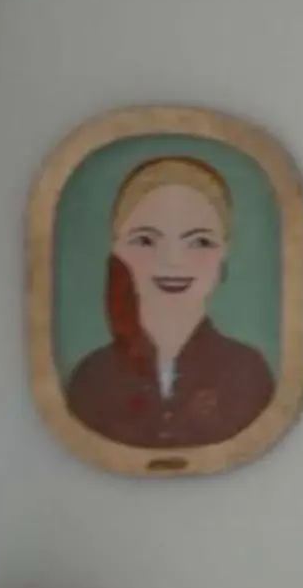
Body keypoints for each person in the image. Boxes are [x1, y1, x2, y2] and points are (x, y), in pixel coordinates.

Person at [63, 155, 276, 450]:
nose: (173, 261)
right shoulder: (91, 378)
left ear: (224, 254)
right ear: (117, 250)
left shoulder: (248, 372)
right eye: (146, 240)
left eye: (199, 242)